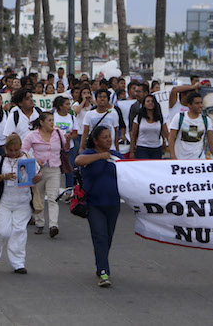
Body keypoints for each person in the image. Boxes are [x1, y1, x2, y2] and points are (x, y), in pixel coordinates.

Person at [75, 126, 123, 288]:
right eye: (104, 137)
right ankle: (103, 271)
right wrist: (100, 157)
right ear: (96, 140)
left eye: (110, 137)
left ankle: (101, 264)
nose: (109, 140)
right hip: (94, 204)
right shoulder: (89, 154)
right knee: (100, 237)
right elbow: (78, 161)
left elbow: (133, 171)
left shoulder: (116, 156)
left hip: (113, 204)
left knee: (107, 238)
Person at [0, 134, 41, 274]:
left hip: (23, 202)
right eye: (10, 150)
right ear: (6, 148)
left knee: (19, 231)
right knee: (2, 231)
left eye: (16, 150)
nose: (14, 153)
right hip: (3, 202)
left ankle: (18, 263)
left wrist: (37, 178)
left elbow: (38, 173)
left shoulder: (27, 158)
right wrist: (3, 177)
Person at [22, 112, 69, 238]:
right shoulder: (32, 135)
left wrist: (68, 140)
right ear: (42, 122)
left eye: (53, 120)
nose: (52, 123)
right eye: (49, 120)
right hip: (38, 170)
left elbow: (66, 147)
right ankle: (39, 223)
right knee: (39, 197)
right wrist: (33, 159)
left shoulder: (58, 133)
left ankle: (54, 225)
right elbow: (23, 150)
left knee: (53, 197)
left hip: (54, 169)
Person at [168, 92, 213, 160]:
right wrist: (173, 156)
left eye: (201, 103)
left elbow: (211, 143)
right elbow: (171, 138)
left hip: (199, 159)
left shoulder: (206, 120)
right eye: (197, 103)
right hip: (180, 159)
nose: (200, 105)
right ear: (189, 105)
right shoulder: (179, 117)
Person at [129, 94, 168, 159]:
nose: (150, 103)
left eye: (152, 101)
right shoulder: (138, 118)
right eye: (148, 101)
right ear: (144, 104)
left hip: (156, 148)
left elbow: (167, 134)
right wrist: (132, 152)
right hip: (142, 148)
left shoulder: (160, 118)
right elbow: (133, 135)